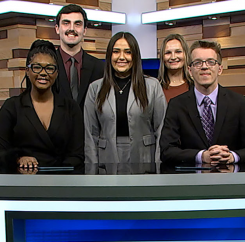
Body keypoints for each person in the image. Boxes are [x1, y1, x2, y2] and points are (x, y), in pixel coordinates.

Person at [159, 40, 245, 165]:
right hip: (191, 179)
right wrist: (201, 156)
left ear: (220, 69)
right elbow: (166, 151)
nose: (204, 66)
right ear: (190, 70)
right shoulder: (177, 105)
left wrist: (232, 156)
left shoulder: (239, 103)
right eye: (198, 63)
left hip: (230, 180)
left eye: (211, 62)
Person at [0, 40, 84, 171]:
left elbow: (77, 155)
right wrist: (18, 159)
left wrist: (55, 175)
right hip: (22, 184)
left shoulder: (71, 108)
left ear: (56, 73)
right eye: (37, 67)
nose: (43, 73)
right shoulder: (12, 107)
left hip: (61, 182)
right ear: (27, 71)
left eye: (49, 68)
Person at [84, 32, 167, 165]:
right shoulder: (95, 88)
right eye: (116, 52)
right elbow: (90, 135)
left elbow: (161, 130)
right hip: (106, 162)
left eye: (128, 52)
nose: (121, 57)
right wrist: (91, 171)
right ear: (109, 55)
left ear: (135, 56)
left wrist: (159, 166)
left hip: (144, 160)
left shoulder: (153, 86)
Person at [54, 4, 104, 110]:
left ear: (84, 30)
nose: (71, 29)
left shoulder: (100, 67)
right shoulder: (47, 65)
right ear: (57, 29)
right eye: (66, 23)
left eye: (77, 24)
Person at [158, 34, 192, 103]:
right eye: (168, 53)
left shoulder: (196, 87)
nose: (173, 57)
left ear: (186, 54)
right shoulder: (155, 88)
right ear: (162, 57)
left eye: (178, 52)